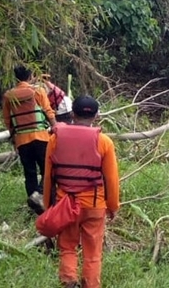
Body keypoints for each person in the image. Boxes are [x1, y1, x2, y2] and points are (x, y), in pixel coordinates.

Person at [43, 96, 120, 288]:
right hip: (94, 205)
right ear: (97, 116)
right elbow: (111, 180)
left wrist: (48, 207)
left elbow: (48, 178)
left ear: (71, 114)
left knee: (67, 247)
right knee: (93, 253)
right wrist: (113, 206)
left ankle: (69, 281)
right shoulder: (104, 142)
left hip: (65, 204)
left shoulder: (54, 139)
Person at [2, 65, 56, 214]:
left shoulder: (9, 96)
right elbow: (48, 111)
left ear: (15, 77)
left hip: (22, 140)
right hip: (41, 137)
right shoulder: (37, 91)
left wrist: (13, 138)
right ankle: (40, 195)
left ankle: (34, 204)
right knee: (48, 169)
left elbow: (7, 120)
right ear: (31, 76)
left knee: (29, 172)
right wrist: (56, 128)